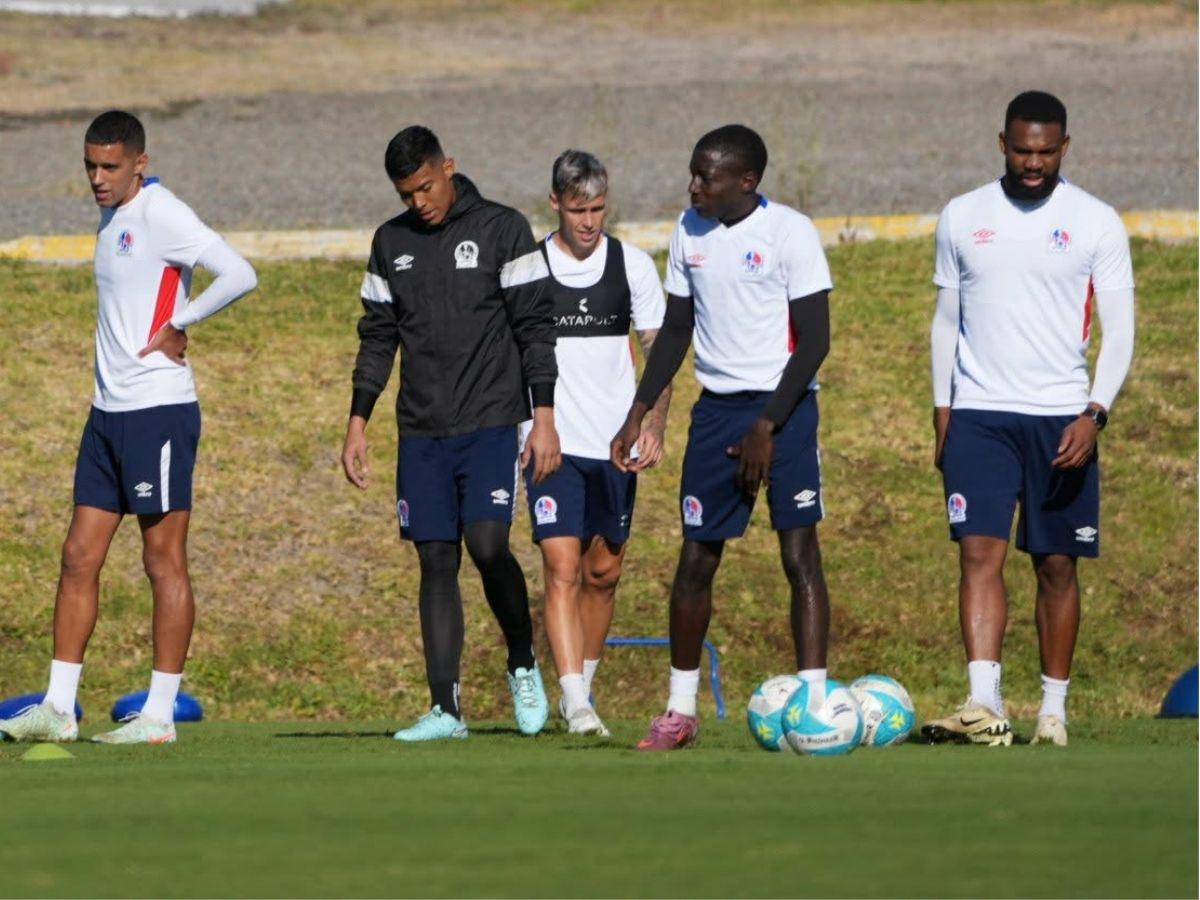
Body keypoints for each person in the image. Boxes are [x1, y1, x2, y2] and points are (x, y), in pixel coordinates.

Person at [0, 110, 257, 745]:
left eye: (109, 166)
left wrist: (182, 321)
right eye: (89, 165)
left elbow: (240, 273)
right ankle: (59, 708)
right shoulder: (111, 216)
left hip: (158, 413)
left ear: (139, 162)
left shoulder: (162, 211)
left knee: (162, 558)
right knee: (77, 556)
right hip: (107, 415)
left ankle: (159, 718)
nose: (97, 177)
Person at [921, 91, 1136, 747]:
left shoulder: (1097, 222)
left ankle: (1053, 710)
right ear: (1002, 143)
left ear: (1064, 147)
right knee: (979, 554)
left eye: (1045, 151)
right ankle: (984, 704)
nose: (1033, 162)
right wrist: (943, 412)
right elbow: (946, 321)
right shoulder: (963, 216)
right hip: (980, 415)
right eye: (1022, 150)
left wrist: (1094, 413)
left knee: (1055, 566)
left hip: (1061, 417)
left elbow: (1121, 332)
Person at [611, 124, 835, 751]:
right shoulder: (690, 230)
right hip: (715, 417)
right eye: (693, 173)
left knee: (799, 558)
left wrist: (768, 424)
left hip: (784, 413)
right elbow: (677, 328)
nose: (693, 186)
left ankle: (815, 702)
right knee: (697, 559)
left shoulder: (790, 232)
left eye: (705, 177)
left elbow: (815, 340)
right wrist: (639, 409)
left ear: (746, 181)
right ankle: (680, 711)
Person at [343, 125, 560, 742]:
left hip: (491, 420)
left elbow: (535, 328)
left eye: (426, 187)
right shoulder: (392, 243)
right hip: (421, 431)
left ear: (449, 167)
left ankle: (522, 662)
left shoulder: (502, 228)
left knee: (488, 545)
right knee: (435, 560)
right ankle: (446, 709)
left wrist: (542, 417)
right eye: (407, 193)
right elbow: (377, 335)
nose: (420, 202)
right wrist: (358, 421)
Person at [523, 150, 669, 737]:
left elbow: (658, 351)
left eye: (599, 209)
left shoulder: (631, 265)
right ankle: (576, 702)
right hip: (551, 442)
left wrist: (654, 424)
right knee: (561, 566)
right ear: (555, 202)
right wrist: (536, 426)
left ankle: (583, 683)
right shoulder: (528, 269)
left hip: (616, 444)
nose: (589, 222)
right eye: (578, 209)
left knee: (603, 572)